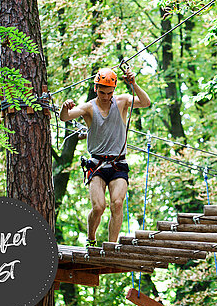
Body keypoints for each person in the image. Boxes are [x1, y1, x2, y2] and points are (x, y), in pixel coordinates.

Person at [60, 67, 151, 246]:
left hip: (119, 164)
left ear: (114, 90)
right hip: (97, 165)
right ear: (96, 89)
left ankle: (111, 245)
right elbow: (65, 117)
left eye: (109, 92)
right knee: (99, 207)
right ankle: (91, 238)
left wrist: (134, 84)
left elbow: (146, 102)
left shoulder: (122, 101)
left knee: (117, 203)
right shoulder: (88, 108)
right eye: (102, 92)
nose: (105, 96)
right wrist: (65, 107)